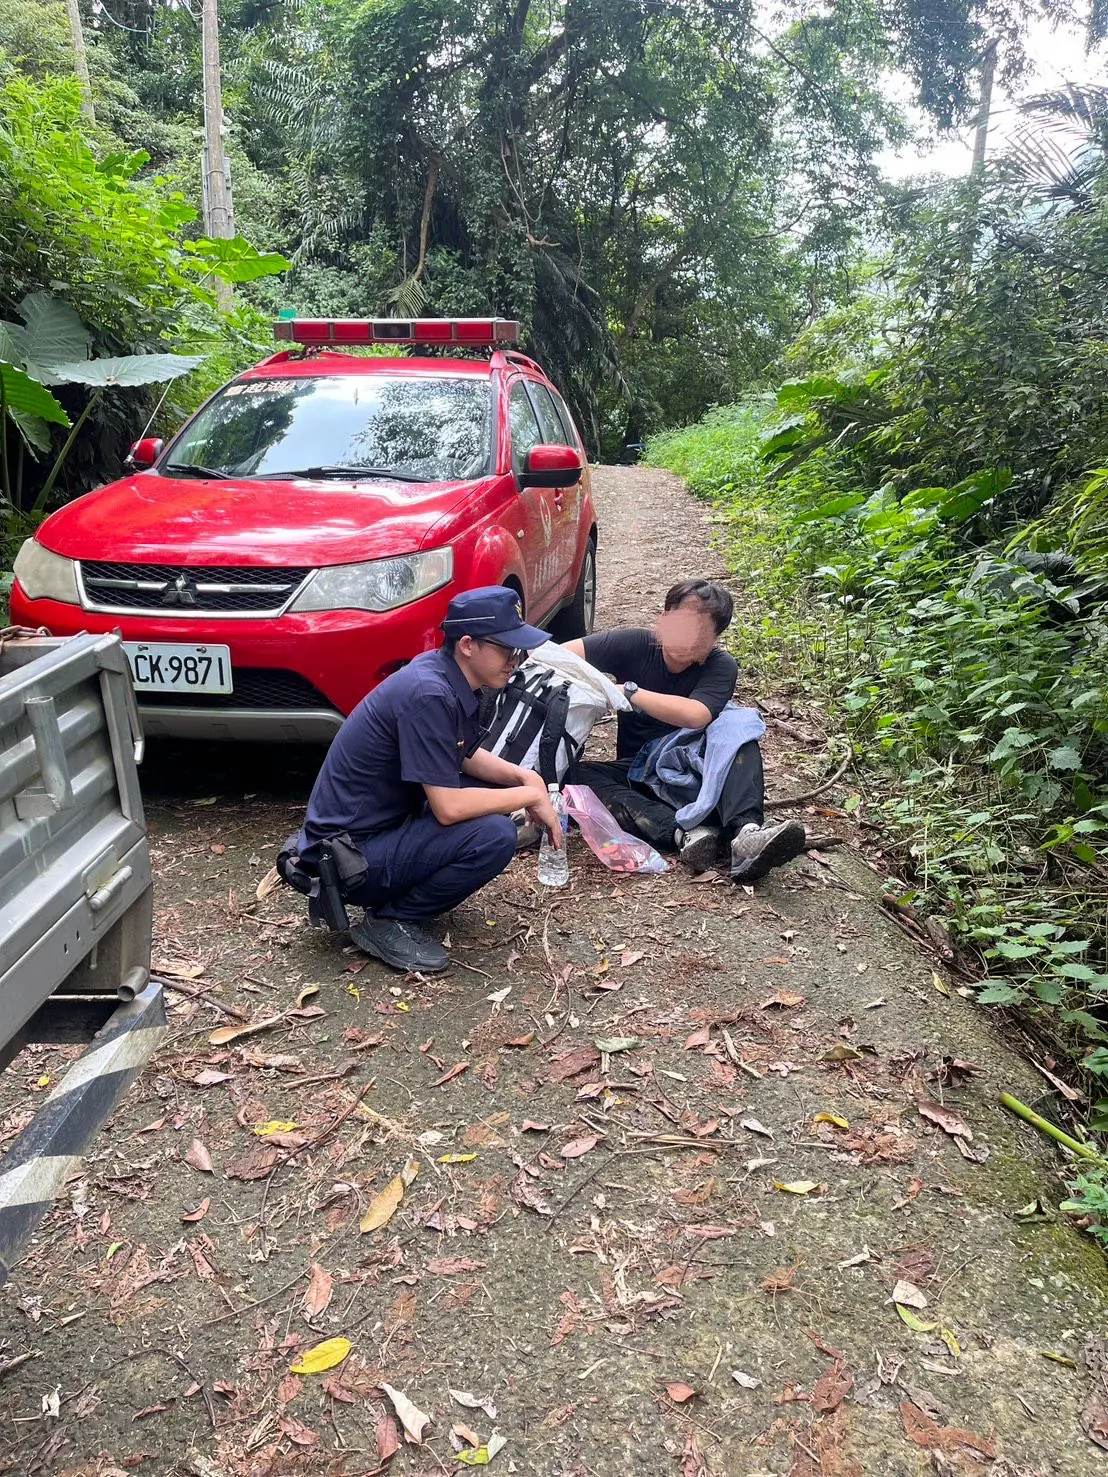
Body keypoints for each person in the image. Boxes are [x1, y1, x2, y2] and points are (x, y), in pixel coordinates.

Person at [296, 586, 563, 973]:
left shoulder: (447, 675)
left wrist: (525, 777)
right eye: (508, 649)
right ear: (468, 644)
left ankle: (400, 896)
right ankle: (388, 920)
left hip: (374, 831)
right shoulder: (430, 693)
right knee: (493, 835)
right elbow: (449, 808)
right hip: (347, 858)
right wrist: (527, 796)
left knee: (495, 795)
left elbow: (462, 755)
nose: (516, 661)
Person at [563, 579, 806, 880]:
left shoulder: (721, 666)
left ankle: (746, 833)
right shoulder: (635, 644)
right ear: (663, 620)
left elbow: (696, 715)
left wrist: (626, 692)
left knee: (738, 730)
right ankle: (685, 834)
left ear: (714, 639)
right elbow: (561, 655)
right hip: (638, 774)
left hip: (699, 774)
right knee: (574, 776)